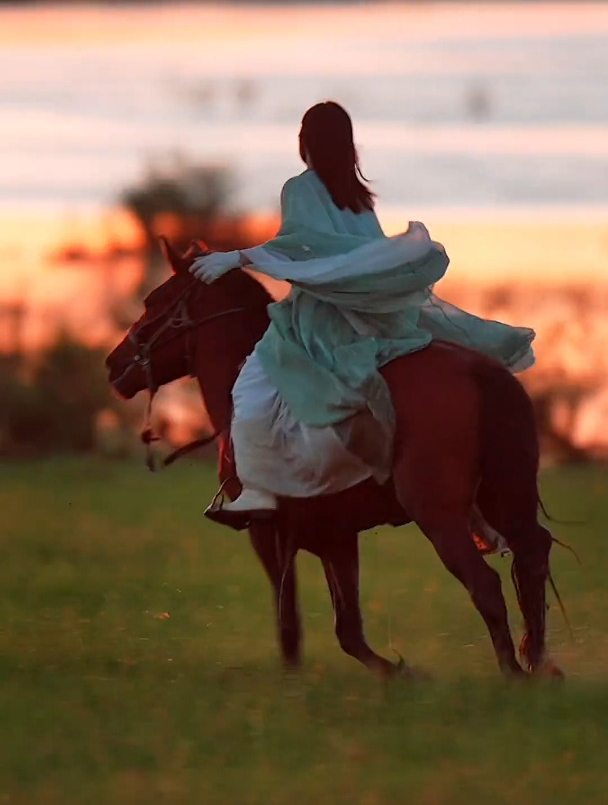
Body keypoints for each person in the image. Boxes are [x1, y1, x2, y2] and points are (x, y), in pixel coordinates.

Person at [189, 101, 535, 527]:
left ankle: (257, 491)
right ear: (349, 147)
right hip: (373, 319)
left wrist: (238, 257)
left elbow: (301, 246)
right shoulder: (361, 200)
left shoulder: (299, 188)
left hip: (319, 318)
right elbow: (359, 259)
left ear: (305, 144)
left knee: (250, 387)